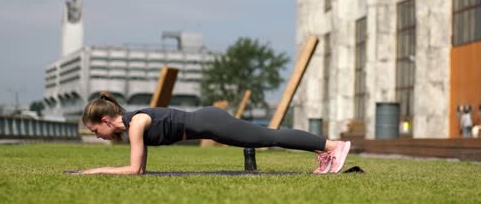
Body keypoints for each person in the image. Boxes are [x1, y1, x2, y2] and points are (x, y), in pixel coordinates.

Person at [77, 92, 352, 175]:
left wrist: (93, 171)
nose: (97, 135)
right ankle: (325, 151)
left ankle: (333, 145)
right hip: (210, 126)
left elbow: (134, 170)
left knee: (269, 137)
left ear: (104, 120)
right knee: (268, 136)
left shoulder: (136, 123)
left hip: (211, 122)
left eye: (94, 130)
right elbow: (141, 171)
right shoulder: (134, 124)